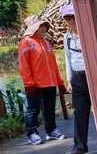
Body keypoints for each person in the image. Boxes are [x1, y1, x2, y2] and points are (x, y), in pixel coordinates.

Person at [18, 16, 66, 145]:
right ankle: (32, 133)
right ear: (33, 28)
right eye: (41, 26)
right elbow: (24, 65)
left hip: (50, 82)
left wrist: (60, 82)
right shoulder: (26, 42)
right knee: (33, 110)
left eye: (44, 26)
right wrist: (29, 83)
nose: (44, 28)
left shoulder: (45, 43)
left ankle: (51, 131)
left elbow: (53, 65)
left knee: (49, 108)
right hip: (35, 83)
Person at [60, 5, 91, 154]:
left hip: (93, 76)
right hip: (78, 77)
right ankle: (80, 147)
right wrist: (70, 79)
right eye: (67, 18)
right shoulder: (66, 38)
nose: (71, 20)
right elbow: (68, 59)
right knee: (79, 112)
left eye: (73, 16)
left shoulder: (88, 33)